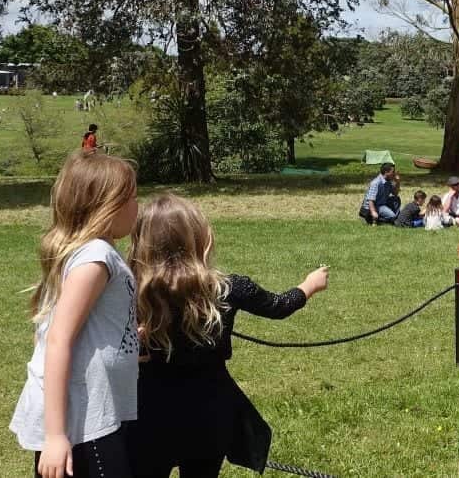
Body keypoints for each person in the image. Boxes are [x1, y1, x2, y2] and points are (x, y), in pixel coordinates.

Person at [129, 194, 329, 478]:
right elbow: (279, 306)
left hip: (149, 409)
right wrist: (308, 286)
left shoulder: (130, 290)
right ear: (199, 239)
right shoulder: (228, 288)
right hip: (210, 409)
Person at [9, 151, 143, 478]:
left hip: (94, 414)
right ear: (106, 205)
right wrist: (55, 436)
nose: (138, 206)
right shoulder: (95, 258)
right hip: (83, 422)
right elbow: (57, 340)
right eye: (133, 197)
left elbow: (87, 329)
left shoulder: (94, 252)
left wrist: (131, 344)